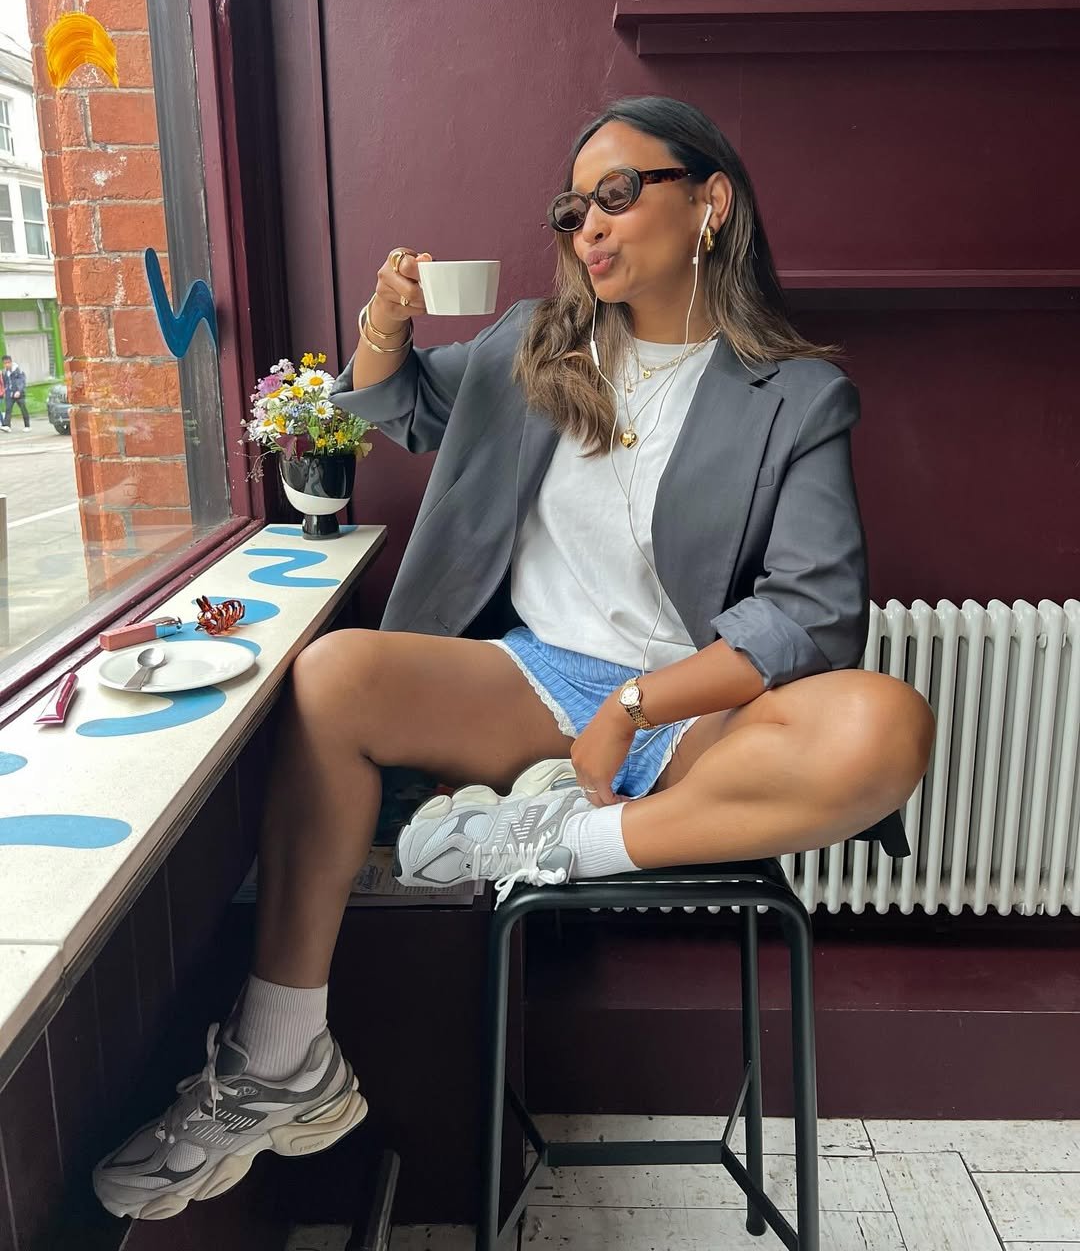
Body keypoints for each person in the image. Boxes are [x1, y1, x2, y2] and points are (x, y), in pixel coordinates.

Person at [94, 95, 935, 1220]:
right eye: (575, 204)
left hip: (693, 708)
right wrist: (385, 322)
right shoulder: (532, 345)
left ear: (711, 203)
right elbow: (397, 406)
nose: (589, 223)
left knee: (884, 722)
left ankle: (560, 841)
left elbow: (815, 614)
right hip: (534, 681)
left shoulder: (796, 394)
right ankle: (283, 1057)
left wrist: (637, 705)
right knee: (333, 676)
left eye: (620, 193)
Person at [1, 354, 29, 431]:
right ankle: (7, 426)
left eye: (8, 362)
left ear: (11, 362)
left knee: (23, 409)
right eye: (5, 363)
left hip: (19, 393)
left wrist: (19, 391)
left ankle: (27, 426)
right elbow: (5, 382)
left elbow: (22, 381)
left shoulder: (18, 370)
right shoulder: (4, 372)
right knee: (8, 409)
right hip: (9, 393)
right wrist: (6, 391)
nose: (7, 365)